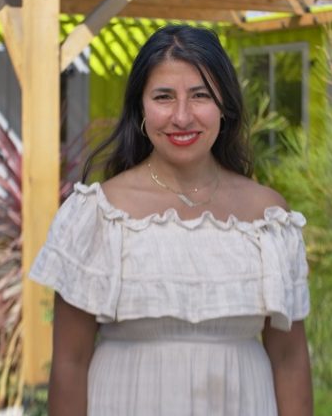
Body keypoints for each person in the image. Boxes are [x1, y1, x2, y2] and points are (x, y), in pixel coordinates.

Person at [29, 24, 313, 415]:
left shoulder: (268, 219)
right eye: (164, 97)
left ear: (225, 107)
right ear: (141, 108)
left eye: (200, 96)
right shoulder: (98, 216)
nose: (182, 116)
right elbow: (69, 363)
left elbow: (290, 360)